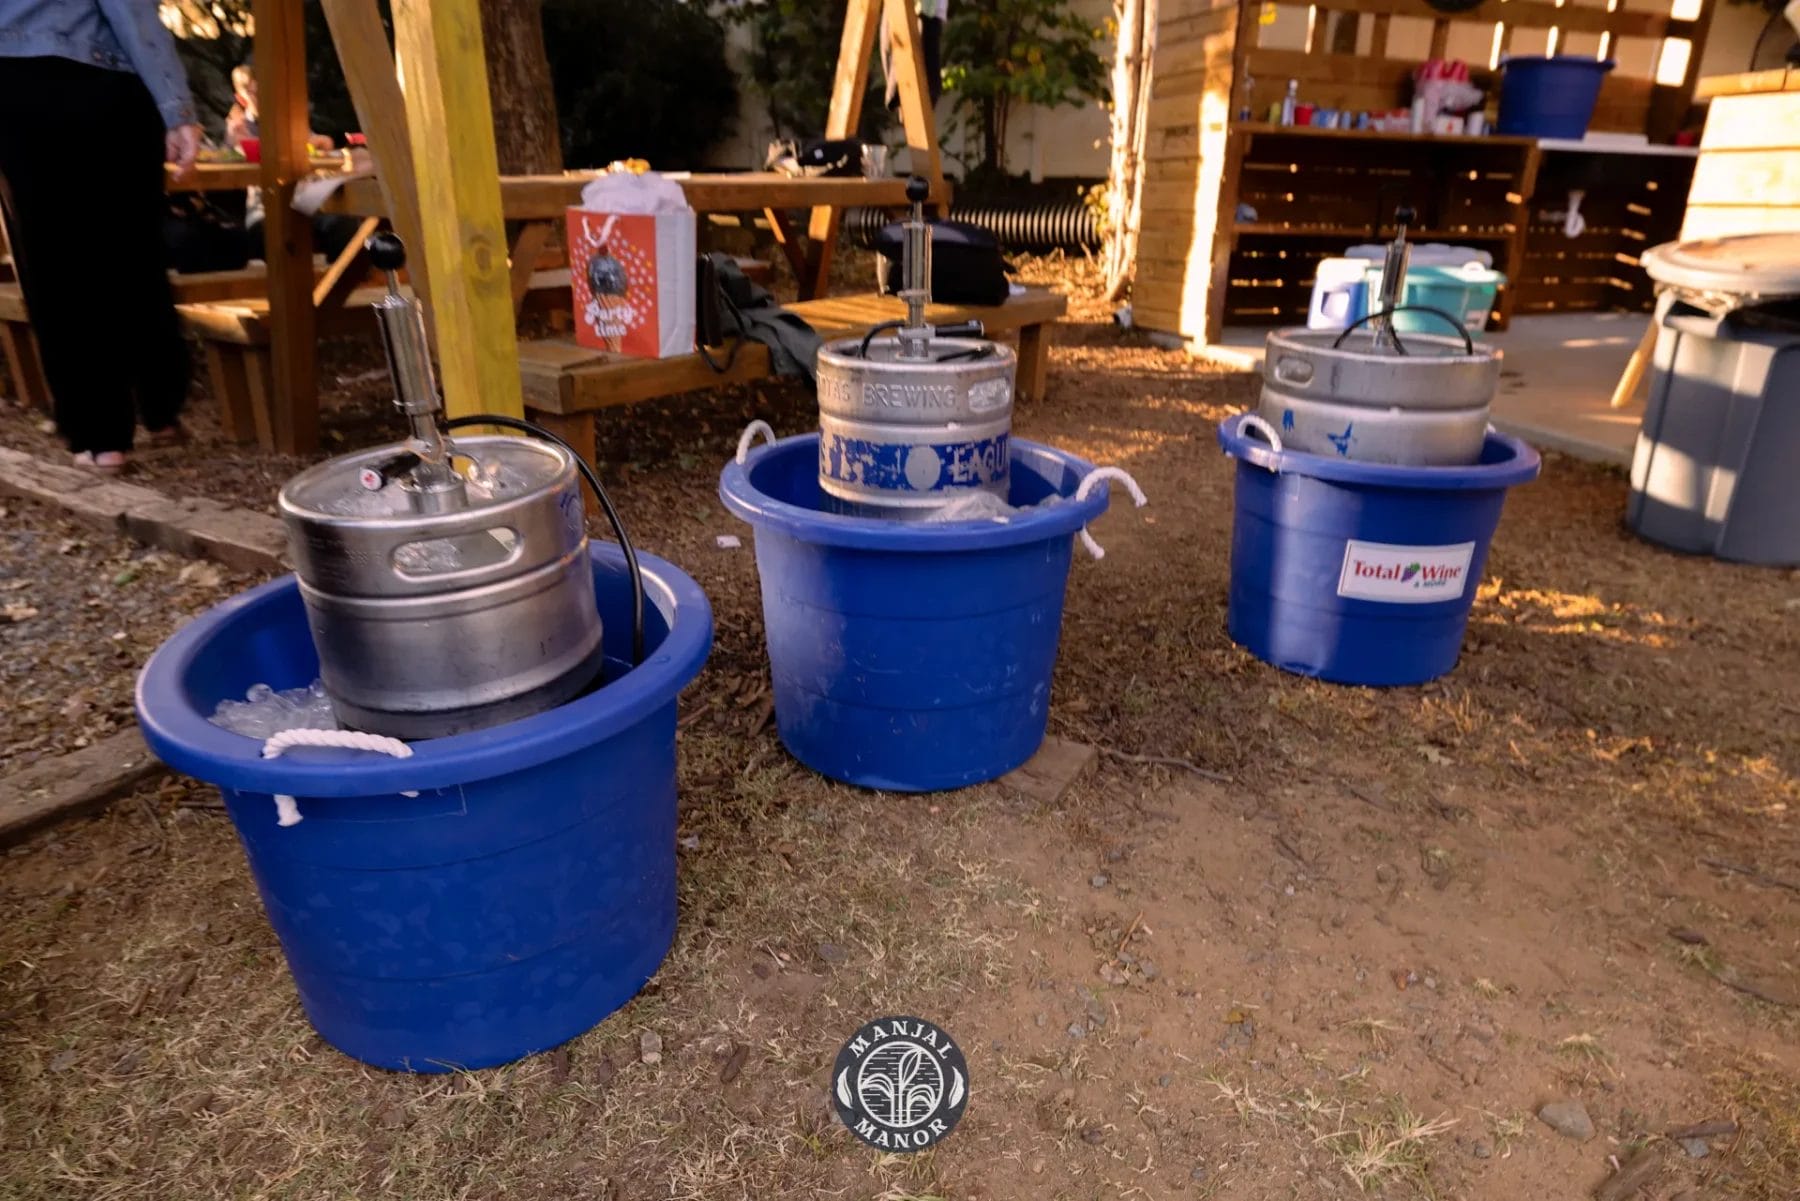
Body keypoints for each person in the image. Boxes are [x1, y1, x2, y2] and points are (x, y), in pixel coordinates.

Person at [0, 0, 201, 473]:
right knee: (133, 251)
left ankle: (100, 435)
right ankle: (161, 407)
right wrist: (177, 109)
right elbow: (131, 12)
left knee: (53, 266)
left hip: (13, 86)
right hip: (100, 79)